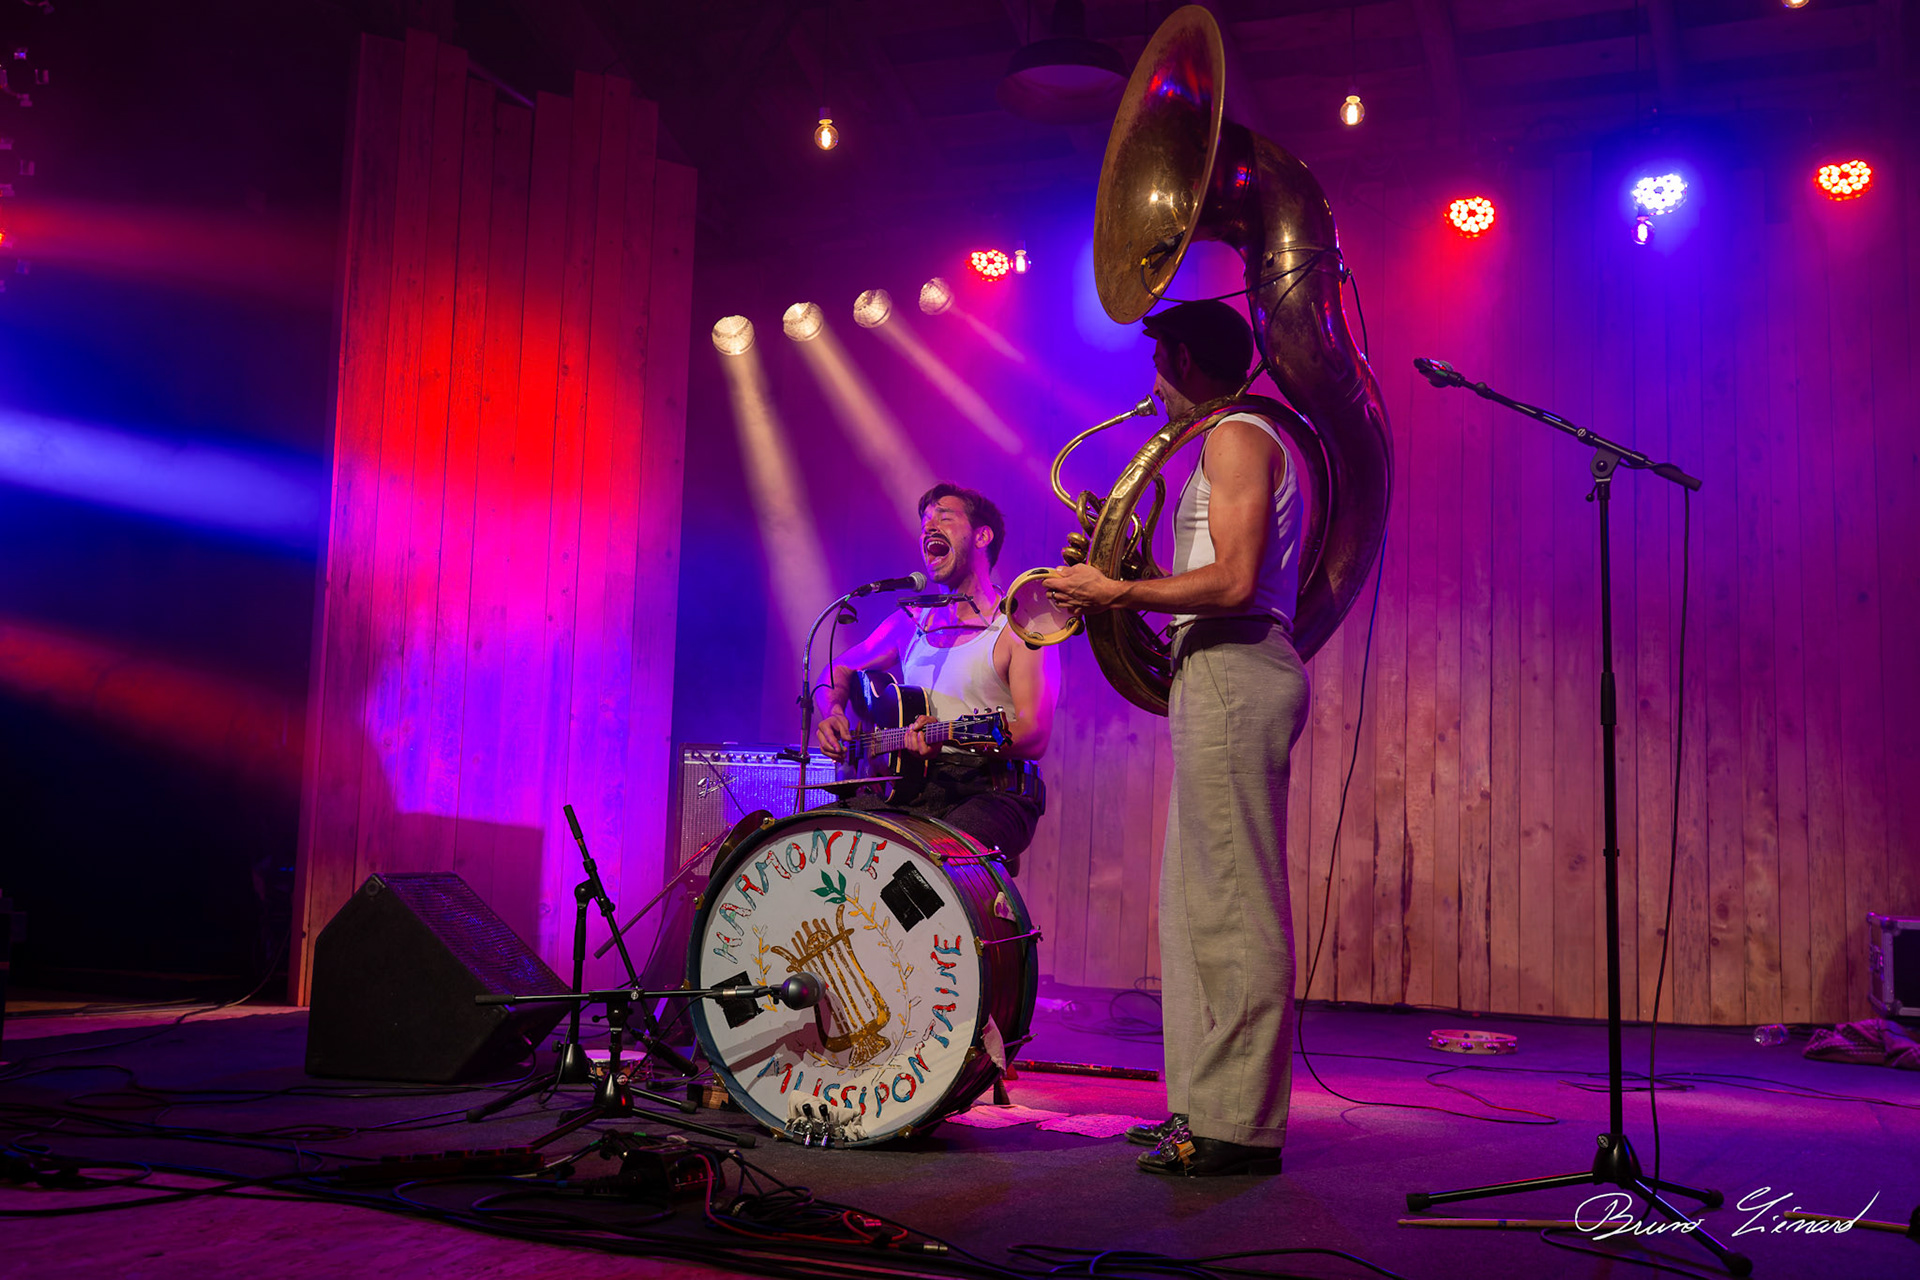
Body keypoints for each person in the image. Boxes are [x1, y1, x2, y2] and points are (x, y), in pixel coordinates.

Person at [1044, 299, 1306, 1177]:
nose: (1152, 387)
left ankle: (1239, 1126)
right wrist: (1130, 574)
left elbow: (1234, 584)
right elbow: (1212, 580)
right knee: (1197, 906)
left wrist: (1111, 594)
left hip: (1238, 666)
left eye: (1159, 365)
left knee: (1233, 901)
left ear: (1187, 360)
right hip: (1216, 669)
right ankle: (1201, 1110)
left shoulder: (1235, 436)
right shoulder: (1226, 442)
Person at [814, 483, 1060, 873]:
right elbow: (837, 669)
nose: (929, 528)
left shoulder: (1020, 629)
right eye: (924, 522)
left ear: (982, 536)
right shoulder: (910, 624)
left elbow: (1034, 734)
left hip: (993, 794)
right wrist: (833, 712)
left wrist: (946, 734)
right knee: (823, 841)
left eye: (944, 517)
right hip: (915, 787)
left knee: (924, 871)